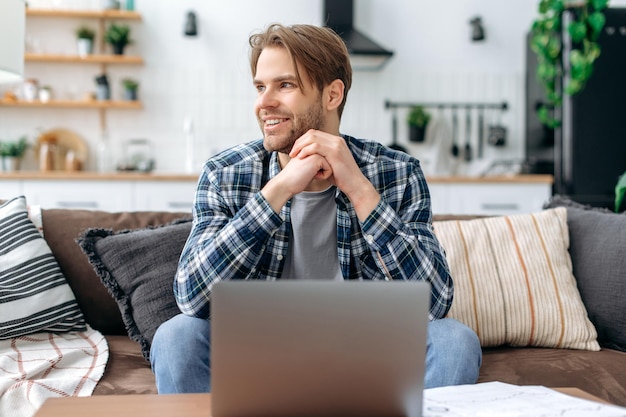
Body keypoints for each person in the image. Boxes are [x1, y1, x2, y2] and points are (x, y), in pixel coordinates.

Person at [150, 23, 481, 394]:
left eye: (285, 85)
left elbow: (435, 304)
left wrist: (359, 189)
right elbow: (191, 297)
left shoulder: (398, 173)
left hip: (366, 351)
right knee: (176, 336)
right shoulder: (225, 174)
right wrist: (279, 189)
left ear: (332, 94)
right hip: (259, 350)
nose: (264, 102)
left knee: (455, 340)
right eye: (260, 87)